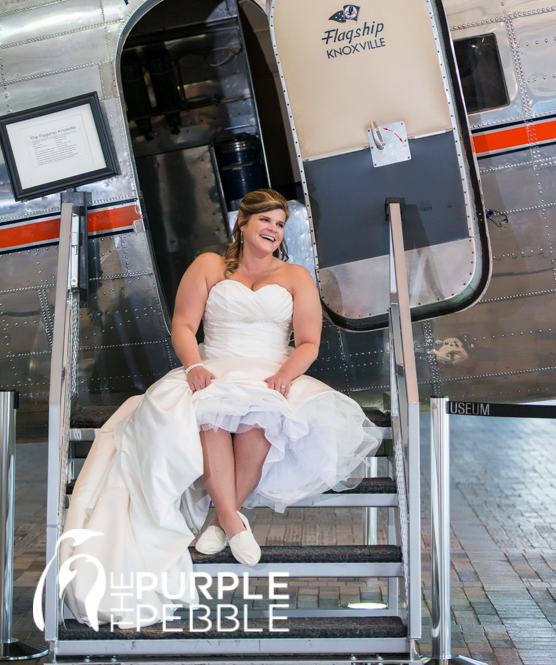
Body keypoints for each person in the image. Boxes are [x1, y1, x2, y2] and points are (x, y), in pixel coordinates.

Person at [61, 189, 382, 630]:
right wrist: (193, 366)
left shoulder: (295, 277)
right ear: (243, 224)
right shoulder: (209, 266)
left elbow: (309, 342)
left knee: (259, 422)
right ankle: (234, 521)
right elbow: (183, 324)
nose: (273, 229)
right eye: (265, 220)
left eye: (280, 224)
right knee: (208, 413)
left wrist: (285, 375)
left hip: (271, 369)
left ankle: (220, 517)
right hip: (213, 367)